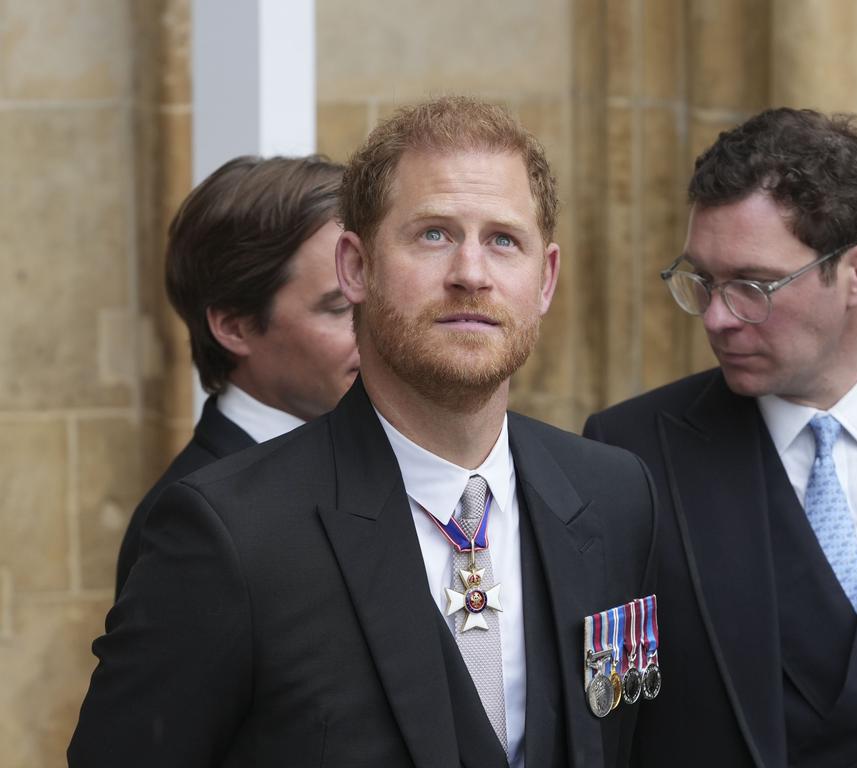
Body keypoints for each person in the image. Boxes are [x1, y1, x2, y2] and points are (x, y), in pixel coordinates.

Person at [70, 96, 656, 768]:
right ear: (355, 266)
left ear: (545, 279)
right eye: (433, 234)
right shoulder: (231, 534)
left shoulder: (614, 496)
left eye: (503, 239)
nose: (471, 273)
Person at [584, 108, 857, 767]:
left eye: (753, 286)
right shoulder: (629, 455)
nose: (716, 317)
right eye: (701, 280)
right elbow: (609, 714)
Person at [114, 155, 360, 597]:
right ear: (234, 326)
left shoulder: (381, 457)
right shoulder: (188, 525)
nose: (376, 332)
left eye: (374, 296)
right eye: (339, 308)